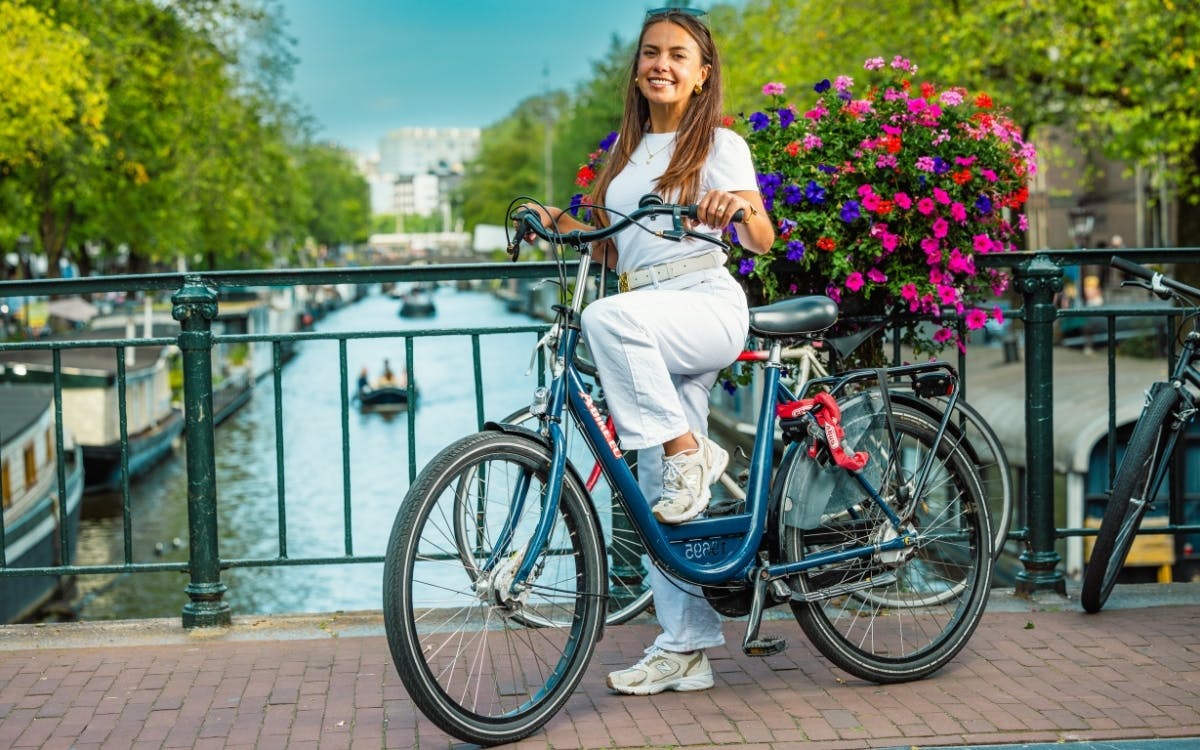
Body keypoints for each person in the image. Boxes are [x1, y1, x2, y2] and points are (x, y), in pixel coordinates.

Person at [517, 7, 774, 696]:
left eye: (678, 55)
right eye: (652, 53)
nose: (662, 63)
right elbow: (608, 244)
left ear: (701, 74)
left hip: (703, 305)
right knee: (659, 495)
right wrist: (554, 220)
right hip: (649, 315)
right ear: (638, 69)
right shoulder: (624, 160)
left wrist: (733, 209)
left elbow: (761, 238)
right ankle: (686, 648)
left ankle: (693, 449)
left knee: (609, 322)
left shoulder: (719, 144)